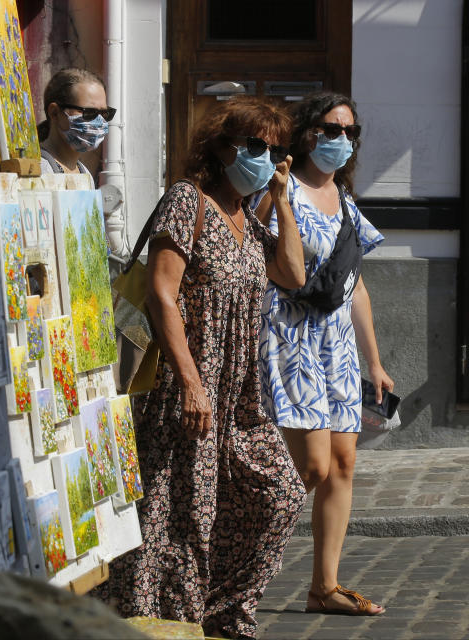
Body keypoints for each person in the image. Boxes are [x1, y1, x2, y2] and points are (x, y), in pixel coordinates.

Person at [102, 96, 308, 639]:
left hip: (239, 393)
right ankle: (165, 622)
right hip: (183, 386)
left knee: (279, 494)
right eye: (256, 146)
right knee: (179, 513)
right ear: (222, 148)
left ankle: (222, 611)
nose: (267, 157)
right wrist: (191, 384)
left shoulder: (248, 219)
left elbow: (292, 274)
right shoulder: (186, 201)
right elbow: (162, 294)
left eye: (276, 149)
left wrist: (282, 201)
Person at [253, 92, 393, 616]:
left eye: (350, 132)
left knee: (342, 464)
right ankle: (232, 563)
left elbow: (353, 285)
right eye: (332, 129)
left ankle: (324, 587)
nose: (341, 141)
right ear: (308, 132)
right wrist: (279, 195)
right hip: (289, 335)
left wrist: (373, 360)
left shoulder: (347, 202)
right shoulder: (277, 190)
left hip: (335, 344)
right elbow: (263, 258)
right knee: (309, 465)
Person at [36, 68, 116, 187]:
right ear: (54, 113)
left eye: (104, 114)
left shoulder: (84, 174)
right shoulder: (37, 171)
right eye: (89, 112)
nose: (99, 121)